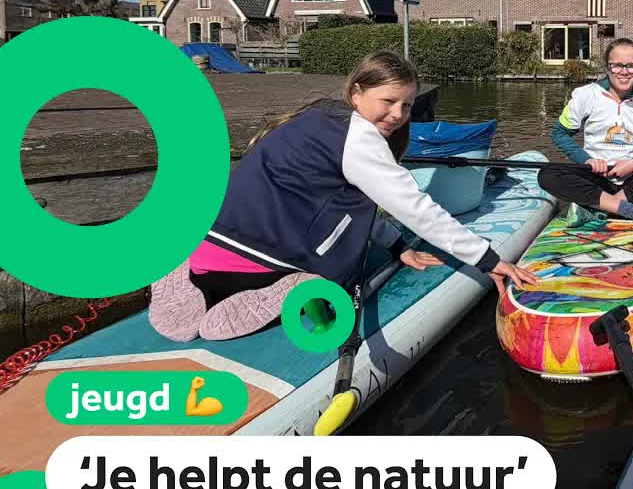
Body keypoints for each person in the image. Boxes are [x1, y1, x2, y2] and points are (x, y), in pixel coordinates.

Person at [149, 50, 537, 342]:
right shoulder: (360, 138)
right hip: (267, 265)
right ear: (357, 92)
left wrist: (397, 243)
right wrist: (487, 258)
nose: (399, 114)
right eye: (388, 101)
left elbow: (338, 205)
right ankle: (292, 287)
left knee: (238, 252)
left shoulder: (318, 115)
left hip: (208, 248)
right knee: (330, 276)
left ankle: (188, 278)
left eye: (406, 105)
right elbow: (415, 207)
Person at [539, 38, 633, 227]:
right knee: (547, 174)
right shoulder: (585, 95)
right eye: (617, 65)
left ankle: (597, 208)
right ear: (607, 67)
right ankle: (628, 210)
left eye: (632, 66)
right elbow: (559, 133)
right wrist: (586, 160)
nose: (625, 72)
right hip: (596, 176)